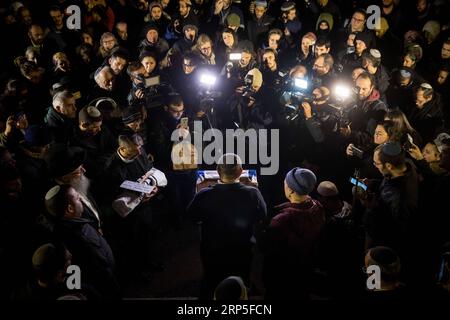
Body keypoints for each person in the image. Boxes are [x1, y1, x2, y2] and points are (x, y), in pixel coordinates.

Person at [187, 153, 266, 299]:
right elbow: (261, 216)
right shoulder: (253, 193)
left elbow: (192, 216)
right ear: (241, 171)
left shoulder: (204, 194)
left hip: (212, 248)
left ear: (217, 171)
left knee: (212, 279)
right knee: (240, 280)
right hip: (242, 248)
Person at [45, 185, 119, 299]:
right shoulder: (83, 237)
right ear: (70, 209)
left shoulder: (60, 228)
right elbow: (103, 270)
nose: (80, 198)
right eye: (77, 198)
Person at [262, 167, 325, 299]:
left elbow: (269, 256)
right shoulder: (318, 206)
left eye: (285, 182)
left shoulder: (280, 221)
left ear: (290, 190)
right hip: (306, 271)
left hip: (284, 278)